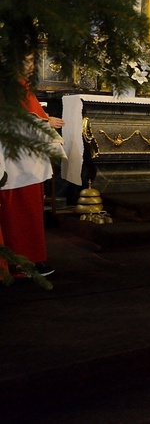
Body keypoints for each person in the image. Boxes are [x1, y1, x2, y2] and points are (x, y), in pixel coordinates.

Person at [0, 53, 66, 277]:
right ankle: (25, 262)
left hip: (16, 159)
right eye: (27, 60)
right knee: (23, 211)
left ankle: (21, 261)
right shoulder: (14, 84)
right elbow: (21, 121)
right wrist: (48, 124)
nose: (31, 65)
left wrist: (44, 119)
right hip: (19, 162)